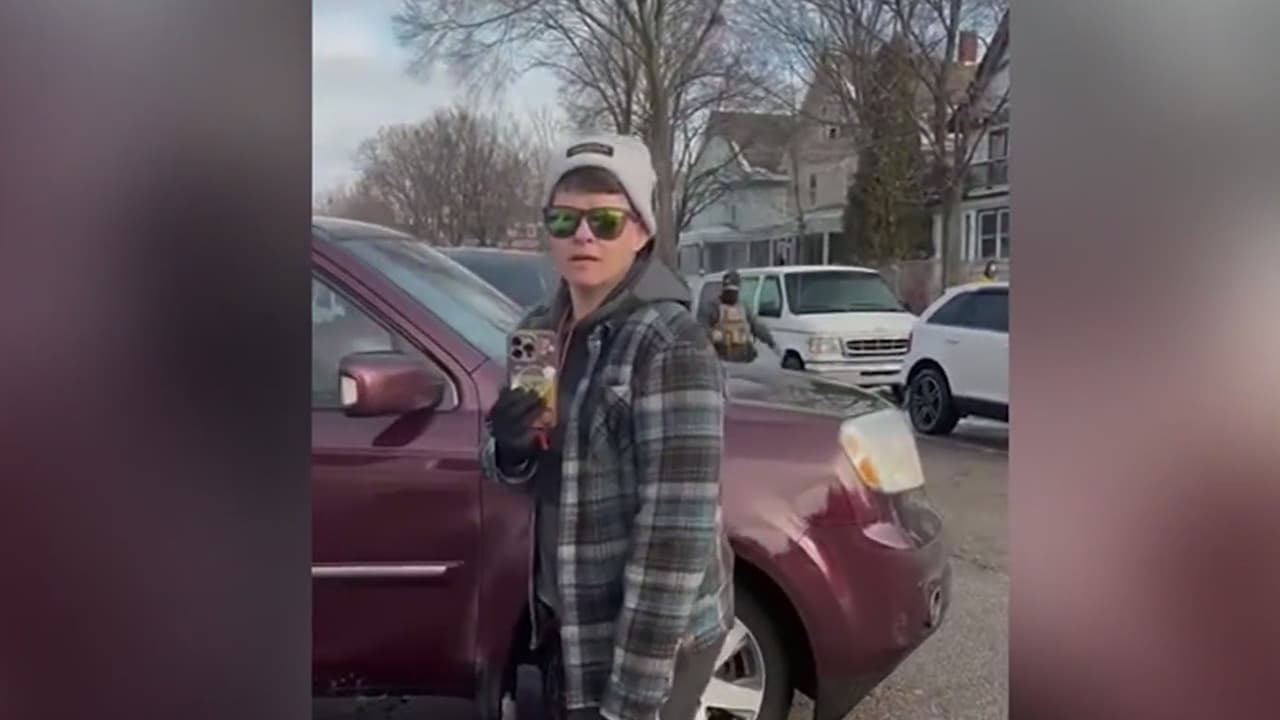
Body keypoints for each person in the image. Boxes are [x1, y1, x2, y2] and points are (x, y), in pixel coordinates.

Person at [481, 133, 732, 720]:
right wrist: (510, 447)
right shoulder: (540, 331)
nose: (583, 235)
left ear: (641, 232)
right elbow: (511, 472)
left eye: (606, 220)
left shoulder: (671, 344)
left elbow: (675, 538)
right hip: (564, 620)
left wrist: (633, 703)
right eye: (565, 219)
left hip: (650, 642)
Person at [697, 269, 778, 363]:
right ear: (723, 289)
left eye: (734, 291)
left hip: (743, 361)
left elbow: (758, 327)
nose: (731, 294)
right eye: (728, 291)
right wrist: (712, 335)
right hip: (721, 360)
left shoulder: (743, 308)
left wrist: (772, 344)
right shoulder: (712, 307)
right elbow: (701, 330)